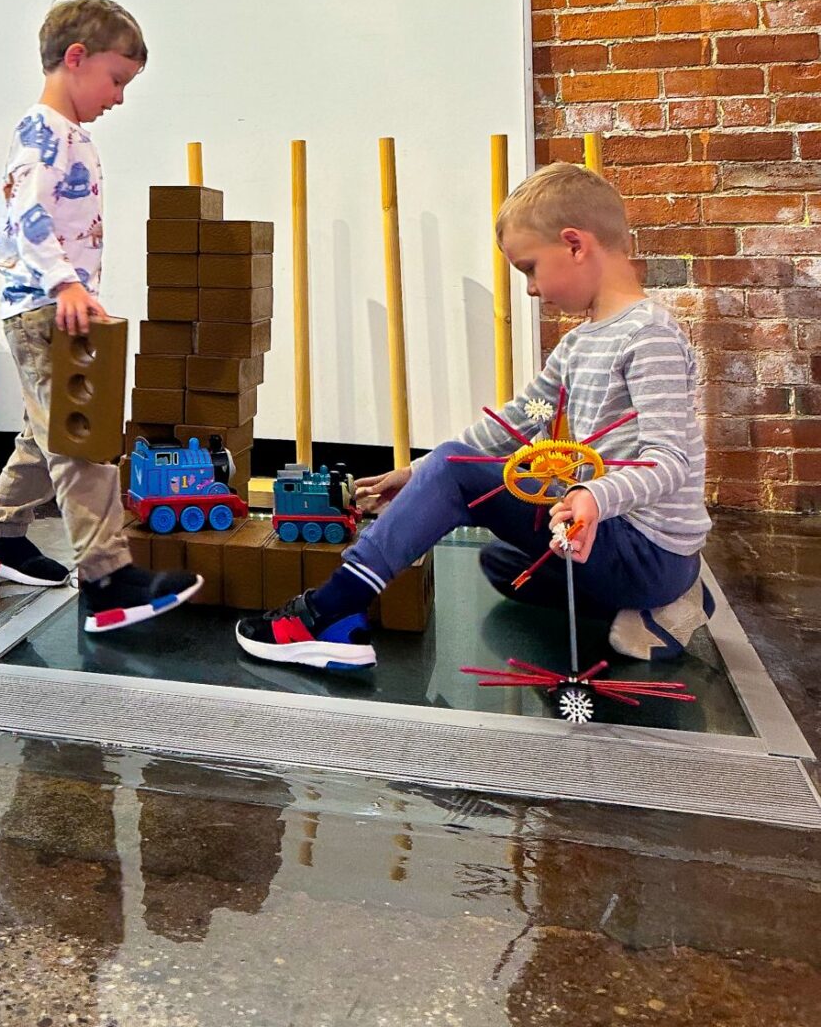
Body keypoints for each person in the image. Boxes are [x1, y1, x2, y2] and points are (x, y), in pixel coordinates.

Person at [236, 162, 713, 671]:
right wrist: (420, 473)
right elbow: (515, 422)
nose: (529, 288)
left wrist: (592, 493)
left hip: (646, 550)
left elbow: (670, 461)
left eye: (529, 267)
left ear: (575, 245)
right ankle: (664, 601)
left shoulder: (649, 337)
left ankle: (328, 610)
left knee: (460, 474)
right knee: (501, 563)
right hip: (612, 531)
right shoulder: (578, 343)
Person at [0, 0, 202, 632]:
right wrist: (66, 284)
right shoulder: (44, 130)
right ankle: (107, 578)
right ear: (76, 59)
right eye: (116, 79)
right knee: (82, 441)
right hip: (46, 307)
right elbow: (29, 216)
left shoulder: (69, 134)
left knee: (44, 433)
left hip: (48, 305)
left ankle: (0, 536)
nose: (119, 97)